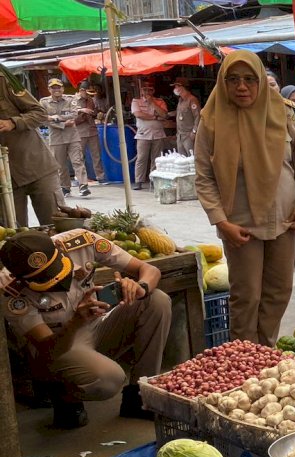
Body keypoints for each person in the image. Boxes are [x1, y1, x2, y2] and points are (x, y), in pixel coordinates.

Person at [194, 50, 295, 347]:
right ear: (223, 83)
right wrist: (221, 222)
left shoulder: (283, 113)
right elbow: (203, 177)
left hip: (284, 219)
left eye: (250, 79)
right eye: (233, 80)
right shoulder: (211, 120)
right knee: (246, 295)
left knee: (278, 291)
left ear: (261, 81)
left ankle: (266, 350)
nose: (242, 87)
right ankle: (244, 355)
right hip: (240, 223)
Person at [0, 229, 171, 428]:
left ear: (58, 250)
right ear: (21, 279)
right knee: (109, 379)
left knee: (157, 300)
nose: (59, 282)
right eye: (45, 280)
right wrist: (75, 323)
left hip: (96, 324)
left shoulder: (81, 241)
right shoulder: (9, 290)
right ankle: (62, 392)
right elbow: (48, 350)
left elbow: (150, 270)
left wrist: (140, 287)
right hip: (59, 346)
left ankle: (140, 395)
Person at [0, 76, 60, 226]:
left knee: (56, 226)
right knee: (15, 237)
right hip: (5, 179)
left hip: (36, 166)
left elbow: (40, 113)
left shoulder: (3, 81)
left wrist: (13, 122)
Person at [41, 78, 88, 197]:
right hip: (56, 138)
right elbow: (43, 119)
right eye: (53, 88)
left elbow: (74, 114)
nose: (56, 90)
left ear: (62, 88)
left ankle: (83, 185)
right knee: (60, 165)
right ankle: (65, 187)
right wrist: (62, 123)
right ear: (49, 89)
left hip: (72, 136)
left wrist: (55, 117)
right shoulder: (44, 102)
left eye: (58, 87)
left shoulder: (70, 99)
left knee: (77, 161)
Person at [130, 80, 167, 190]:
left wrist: (153, 104)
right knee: (141, 158)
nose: (147, 92)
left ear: (153, 90)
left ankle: (154, 180)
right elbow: (138, 114)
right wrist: (155, 117)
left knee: (157, 159)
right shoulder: (136, 101)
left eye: (150, 89)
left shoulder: (159, 101)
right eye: (145, 89)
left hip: (158, 134)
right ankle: (138, 181)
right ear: (141, 91)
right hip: (143, 134)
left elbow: (164, 114)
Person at [72, 80, 108, 184]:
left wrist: (97, 113)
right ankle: (80, 178)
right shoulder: (73, 100)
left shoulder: (90, 100)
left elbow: (94, 110)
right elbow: (71, 114)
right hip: (80, 131)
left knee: (96, 154)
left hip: (92, 130)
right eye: (87, 92)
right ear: (81, 90)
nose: (89, 95)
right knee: (79, 156)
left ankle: (100, 177)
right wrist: (82, 110)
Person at [171, 77, 201, 156]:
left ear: (182, 87)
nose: (175, 88)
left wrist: (194, 132)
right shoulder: (180, 100)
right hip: (180, 135)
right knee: (182, 160)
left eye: (176, 86)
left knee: (192, 159)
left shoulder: (192, 100)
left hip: (189, 135)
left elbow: (198, 116)